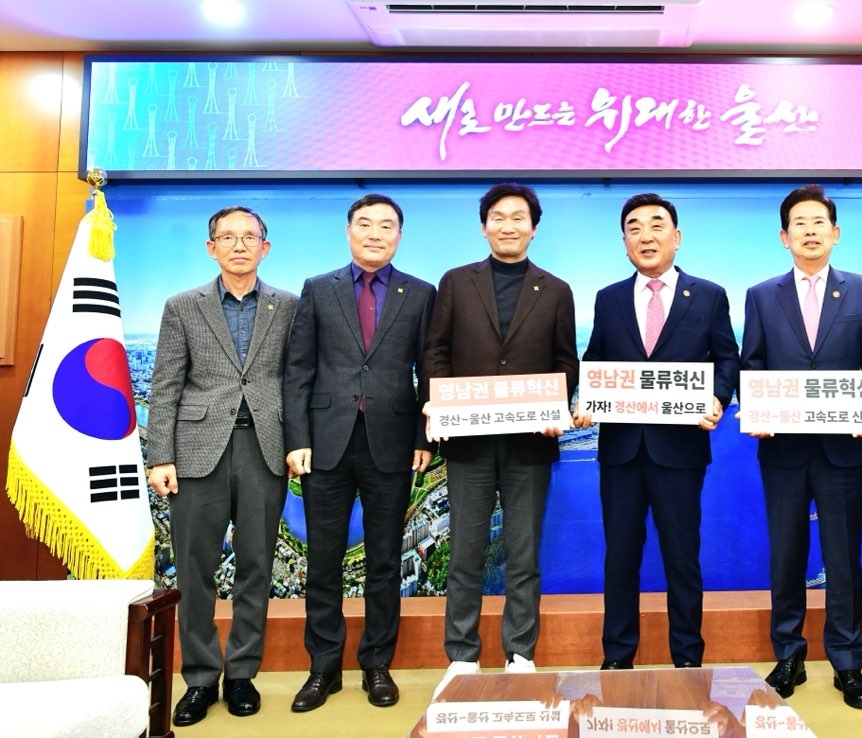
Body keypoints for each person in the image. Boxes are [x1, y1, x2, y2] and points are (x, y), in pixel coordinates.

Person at [740, 184, 862, 710]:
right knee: (786, 556)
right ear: (784, 237)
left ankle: (848, 662)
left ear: (835, 232)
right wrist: (756, 410)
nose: (809, 231)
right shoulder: (761, 295)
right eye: (798, 224)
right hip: (782, 450)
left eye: (818, 222)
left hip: (842, 448)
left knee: (843, 558)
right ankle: (789, 655)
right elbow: (753, 366)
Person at [574, 193, 740, 670]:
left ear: (676, 236)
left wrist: (717, 397)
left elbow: (726, 357)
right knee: (620, 558)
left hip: (680, 451)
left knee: (682, 559)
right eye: (634, 228)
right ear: (624, 241)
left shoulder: (708, 295)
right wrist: (586, 399)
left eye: (656, 225)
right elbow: (596, 360)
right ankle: (617, 658)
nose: (645, 236)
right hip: (621, 451)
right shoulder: (608, 299)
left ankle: (687, 658)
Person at [283, 194, 436, 711]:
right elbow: (299, 370)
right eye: (365, 224)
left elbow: (428, 371)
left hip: (392, 444)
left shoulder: (421, 293)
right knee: (323, 561)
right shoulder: (318, 288)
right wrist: (297, 439)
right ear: (348, 232)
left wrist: (423, 438)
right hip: (325, 444)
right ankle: (323, 668)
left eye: (386, 225)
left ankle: (376, 664)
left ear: (399, 236)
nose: (375, 233)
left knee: (385, 562)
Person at [146, 206, 297, 726]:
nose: (239, 245)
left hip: (265, 448)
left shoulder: (289, 307)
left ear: (264, 247)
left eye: (249, 237)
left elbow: (297, 381)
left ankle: (241, 675)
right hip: (195, 452)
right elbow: (165, 384)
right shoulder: (182, 306)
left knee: (256, 566)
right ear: (211, 248)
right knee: (194, 570)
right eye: (227, 237)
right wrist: (160, 456)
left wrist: (298, 444)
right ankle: (199, 678)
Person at [422, 183, 578, 683]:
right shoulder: (455, 282)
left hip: (530, 444)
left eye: (518, 217)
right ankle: (462, 655)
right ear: (484, 226)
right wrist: (438, 401)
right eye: (498, 217)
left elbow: (565, 361)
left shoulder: (556, 290)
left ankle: (520, 653)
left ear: (534, 228)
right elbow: (436, 351)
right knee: (465, 553)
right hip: (467, 442)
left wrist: (557, 406)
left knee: (523, 554)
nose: (508, 226)